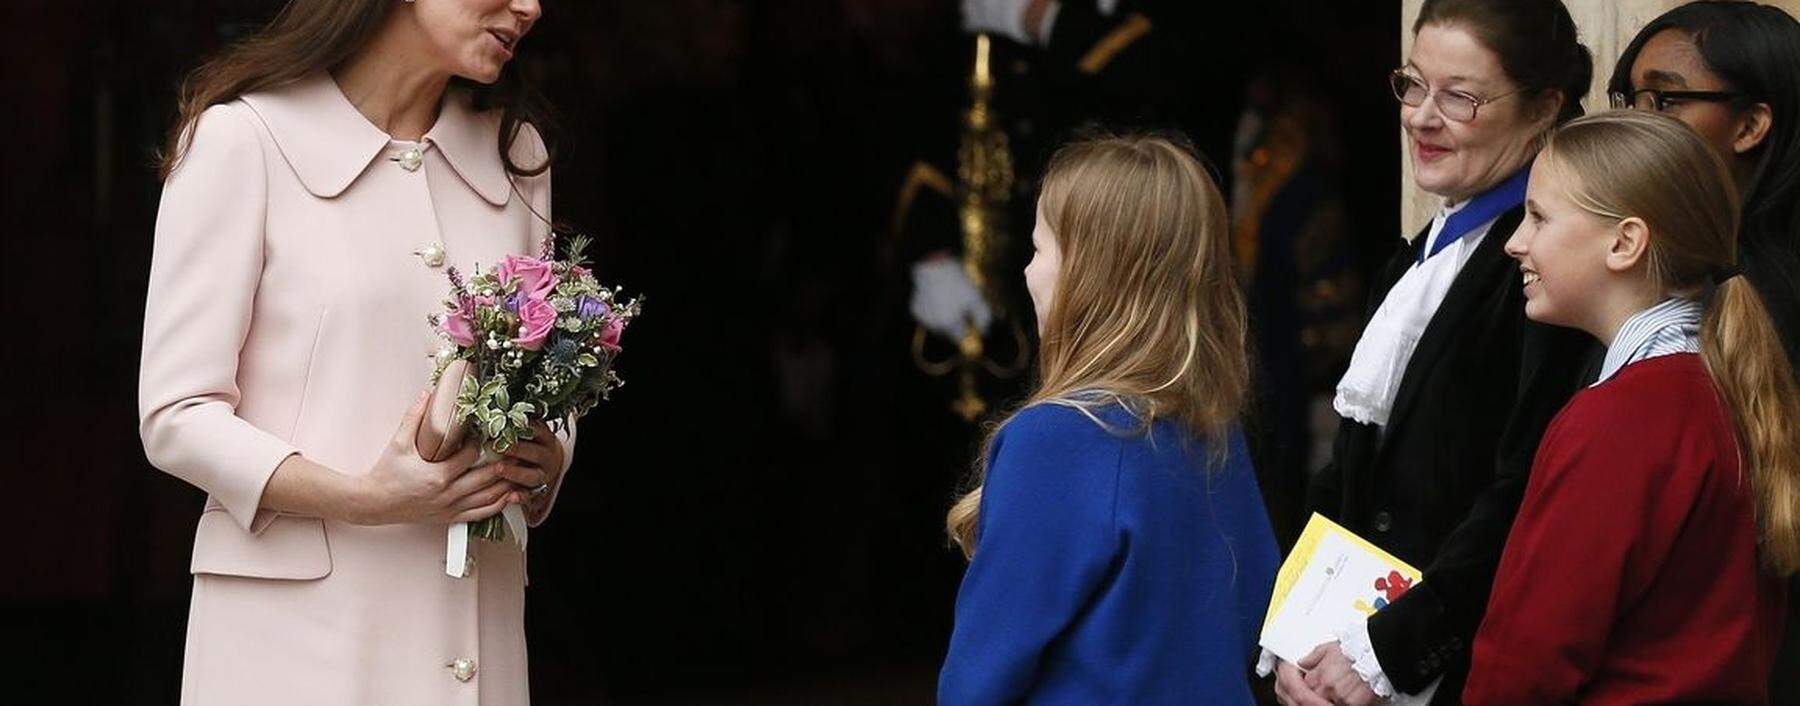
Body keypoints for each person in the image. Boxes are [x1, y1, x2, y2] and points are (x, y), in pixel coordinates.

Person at [138, 1, 574, 703]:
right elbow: (177, 414)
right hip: (294, 647)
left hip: (475, 633)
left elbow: (539, 377)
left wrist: (549, 453)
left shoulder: (515, 155)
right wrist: (366, 499)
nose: (529, 6)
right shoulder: (242, 141)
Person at [1266, 1, 1596, 704]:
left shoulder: (1543, 267)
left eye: (1461, 97)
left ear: (1543, 108)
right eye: (1413, 84)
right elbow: (1351, 468)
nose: (1420, 115)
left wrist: (1387, 654)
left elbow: (1522, 492)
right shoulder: (1423, 254)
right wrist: (1295, 632)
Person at [1464, 109, 1795, 705]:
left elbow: (1527, 659)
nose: (1515, 242)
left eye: (1538, 216)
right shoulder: (1729, 387)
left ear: (1624, 243)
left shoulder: (1621, 419)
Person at [937, 133, 1279, 705]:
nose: (1027, 273)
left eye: (1040, 249)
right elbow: (1254, 606)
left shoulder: (1056, 438)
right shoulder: (1213, 427)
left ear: (1094, 274)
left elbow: (980, 678)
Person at [1604, 5, 1800, 699]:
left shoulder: (1752, 295)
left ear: (1751, 125)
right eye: (1629, 98)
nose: (1639, 119)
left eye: (1667, 99)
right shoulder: (1646, 265)